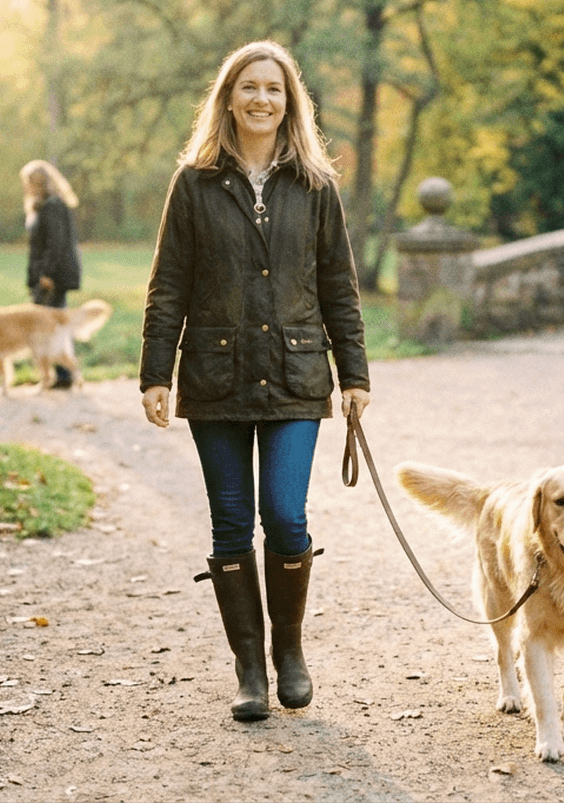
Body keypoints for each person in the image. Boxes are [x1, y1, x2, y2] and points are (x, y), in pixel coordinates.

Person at [139, 40, 371, 722]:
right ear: (228, 98)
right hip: (215, 376)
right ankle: (250, 670)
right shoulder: (194, 182)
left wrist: (353, 373)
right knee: (232, 521)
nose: (261, 99)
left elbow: (340, 286)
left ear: (289, 101)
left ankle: (289, 653)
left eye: (273, 88)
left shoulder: (316, 185)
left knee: (287, 514)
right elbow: (168, 283)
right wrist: (156, 372)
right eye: (249, 87)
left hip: (298, 375)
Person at [21, 159, 82, 388]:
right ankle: (62, 373)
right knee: (54, 323)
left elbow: (56, 244)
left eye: (29, 182)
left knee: (49, 325)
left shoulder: (53, 205)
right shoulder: (45, 205)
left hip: (52, 276)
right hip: (49, 273)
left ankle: (62, 374)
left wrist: (46, 274)